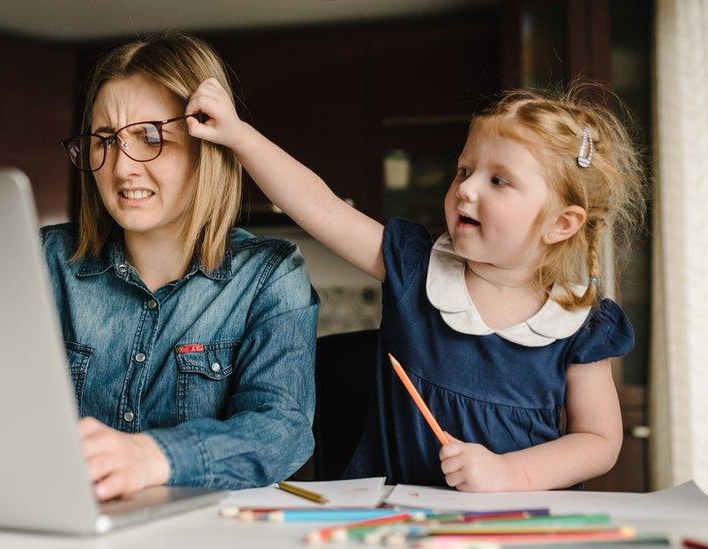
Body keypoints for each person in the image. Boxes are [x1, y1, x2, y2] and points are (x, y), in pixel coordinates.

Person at [187, 79, 645, 491]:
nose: (466, 189)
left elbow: (598, 441)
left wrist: (509, 474)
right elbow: (320, 208)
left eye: (499, 180)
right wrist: (238, 135)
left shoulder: (581, 321)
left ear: (561, 223)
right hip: (395, 516)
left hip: (517, 525)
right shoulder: (414, 266)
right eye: (465, 171)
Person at [40, 34, 319, 502]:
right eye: (105, 140)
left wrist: (153, 457)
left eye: (151, 138)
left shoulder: (269, 276)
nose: (122, 167)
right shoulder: (47, 262)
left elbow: (281, 431)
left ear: (206, 147)